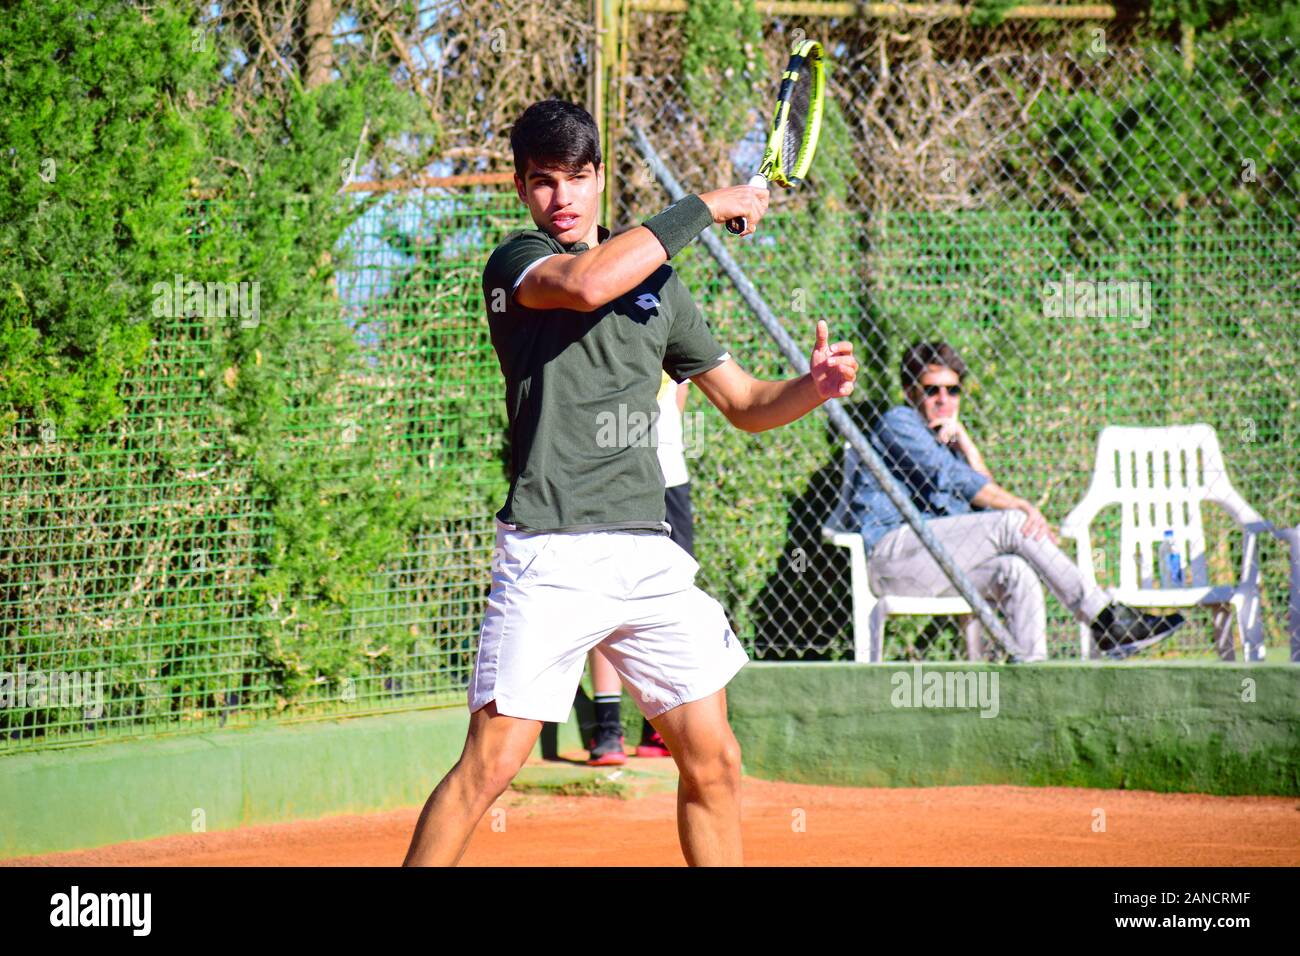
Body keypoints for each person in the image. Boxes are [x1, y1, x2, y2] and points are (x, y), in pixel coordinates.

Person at [402, 99, 858, 866]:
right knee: (488, 767)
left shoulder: (660, 286)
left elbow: (743, 403)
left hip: (648, 554)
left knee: (715, 761)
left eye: (579, 179)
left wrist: (811, 387)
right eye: (545, 182)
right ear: (521, 187)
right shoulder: (519, 264)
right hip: (551, 554)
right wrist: (710, 205)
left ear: (601, 178)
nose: (565, 198)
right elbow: (584, 286)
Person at [847, 340, 1185, 661]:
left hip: (938, 565)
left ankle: (1031, 675)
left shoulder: (948, 441)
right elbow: (958, 482)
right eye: (931, 389)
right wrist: (1022, 507)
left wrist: (965, 440)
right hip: (892, 559)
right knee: (1011, 521)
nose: (943, 399)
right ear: (910, 392)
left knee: (1017, 571)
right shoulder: (899, 423)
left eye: (953, 390)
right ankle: (1105, 617)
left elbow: (983, 496)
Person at [585, 373, 692, 765]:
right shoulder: (599, 318)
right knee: (605, 598)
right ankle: (609, 728)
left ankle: (651, 730)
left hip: (668, 479)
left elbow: (679, 395)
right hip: (613, 478)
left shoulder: (675, 315)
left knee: (672, 601)